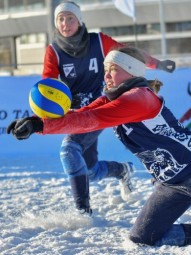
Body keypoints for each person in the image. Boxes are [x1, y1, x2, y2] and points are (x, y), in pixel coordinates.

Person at [8, 46, 191, 247]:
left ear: (131, 71)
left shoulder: (139, 97)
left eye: (113, 70)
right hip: (173, 183)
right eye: (105, 69)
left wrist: (41, 126)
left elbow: (89, 121)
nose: (106, 75)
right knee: (143, 238)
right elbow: (82, 113)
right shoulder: (111, 97)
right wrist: (36, 121)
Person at [41, 1, 176, 214]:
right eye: (60, 19)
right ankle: (122, 170)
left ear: (79, 20)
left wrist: (157, 64)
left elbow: (128, 55)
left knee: (69, 150)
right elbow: (48, 84)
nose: (65, 23)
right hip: (76, 113)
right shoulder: (53, 51)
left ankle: (83, 212)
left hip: (100, 109)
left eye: (70, 18)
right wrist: (53, 104)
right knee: (91, 171)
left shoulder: (98, 40)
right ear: (55, 23)